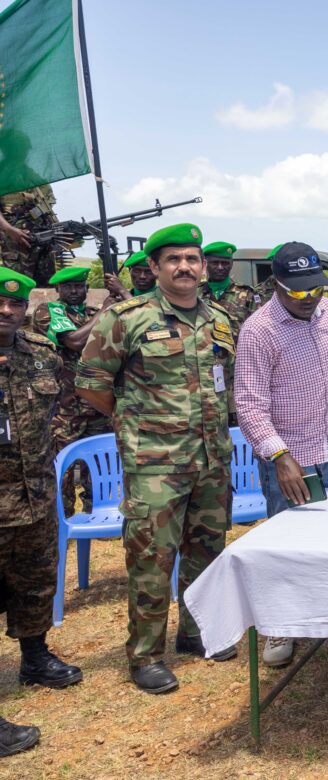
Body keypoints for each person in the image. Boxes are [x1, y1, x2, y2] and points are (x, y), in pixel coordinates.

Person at [76, 223, 238, 694]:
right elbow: (90, 384)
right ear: (154, 267)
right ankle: (145, 655)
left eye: (192, 259)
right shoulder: (127, 318)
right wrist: (137, 426)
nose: (184, 267)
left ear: (203, 267)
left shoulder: (220, 319)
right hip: (155, 466)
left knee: (206, 552)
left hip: (211, 459)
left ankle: (196, 632)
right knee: (151, 559)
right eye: (173, 260)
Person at [235, 241, 328, 667]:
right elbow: (250, 405)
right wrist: (278, 455)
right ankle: (279, 626)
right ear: (276, 285)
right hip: (288, 459)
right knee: (284, 543)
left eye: (315, 288)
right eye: (298, 291)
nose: (309, 298)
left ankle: (322, 613)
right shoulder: (259, 331)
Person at [0, 267, 84, 757]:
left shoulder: (41, 354)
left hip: (34, 497)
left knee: (35, 584)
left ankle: (35, 658)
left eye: (16, 303)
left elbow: (61, 412)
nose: (7, 311)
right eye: (0, 302)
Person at [31, 265, 114, 515]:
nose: (75, 291)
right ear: (58, 289)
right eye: (68, 287)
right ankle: (62, 518)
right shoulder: (50, 310)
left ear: (87, 289)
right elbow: (74, 341)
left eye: (79, 286)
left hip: (97, 403)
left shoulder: (91, 313)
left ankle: (98, 513)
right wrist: (105, 312)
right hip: (64, 406)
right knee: (62, 467)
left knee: (100, 465)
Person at [0, 185, 59, 287]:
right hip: (16, 239)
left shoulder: (35, 176)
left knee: (47, 283)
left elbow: (48, 203)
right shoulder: (4, 175)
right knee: (16, 285)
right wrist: (10, 230)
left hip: (43, 236)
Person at [198, 242, 259, 337]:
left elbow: (257, 329)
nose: (220, 267)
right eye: (215, 263)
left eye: (225, 263)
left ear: (231, 264)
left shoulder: (248, 294)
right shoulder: (195, 292)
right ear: (205, 264)